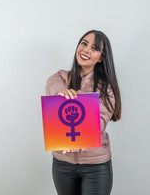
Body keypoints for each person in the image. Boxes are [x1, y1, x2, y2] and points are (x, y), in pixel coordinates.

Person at [45, 30, 121, 195]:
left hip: (96, 166)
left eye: (94, 48)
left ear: (101, 57)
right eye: (84, 43)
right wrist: (62, 92)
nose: (86, 50)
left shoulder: (106, 88)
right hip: (62, 164)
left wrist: (81, 138)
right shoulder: (62, 77)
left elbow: (99, 122)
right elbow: (52, 84)